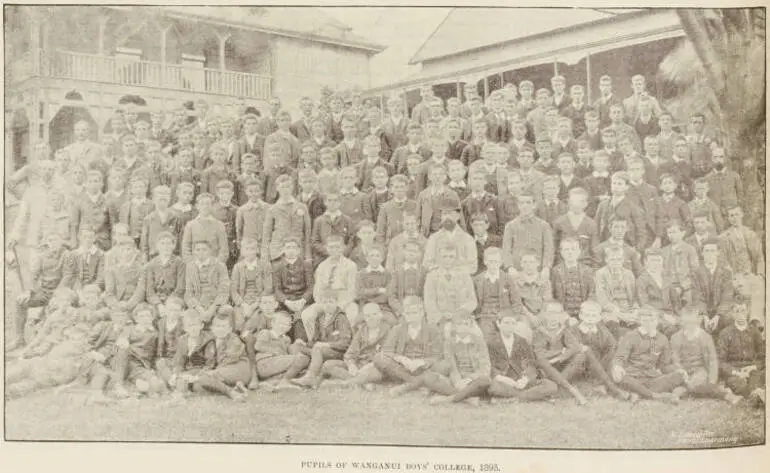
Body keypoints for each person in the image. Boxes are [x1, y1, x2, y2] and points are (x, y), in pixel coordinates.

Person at [373, 296, 446, 397]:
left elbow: (438, 355)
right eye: (407, 313)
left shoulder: (432, 329)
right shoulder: (397, 329)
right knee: (379, 358)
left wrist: (422, 362)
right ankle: (416, 382)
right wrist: (401, 359)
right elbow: (387, 351)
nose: (410, 316)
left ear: (422, 313)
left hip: (423, 368)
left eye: (414, 313)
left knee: (444, 365)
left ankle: (413, 383)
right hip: (402, 369)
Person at [611, 307, 685, 403]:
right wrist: (617, 366)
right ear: (640, 321)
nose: (649, 324)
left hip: (651, 378)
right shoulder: (631, 336)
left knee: (678, 375)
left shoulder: (662, 339)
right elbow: (619, 357)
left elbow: (664, 364)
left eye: (652, 320)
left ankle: (639, 393)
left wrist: (677, 370)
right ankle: (655, 396)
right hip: (632, 376)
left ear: (657, 321)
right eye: (645, 321)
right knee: (620, 377)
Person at [670, 306, 742, 403]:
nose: (689, 326)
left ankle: (724, 394)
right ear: (682, 322)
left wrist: (712, 380)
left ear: (698, 321)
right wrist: (681, 370)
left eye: (692, 322)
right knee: (683, 383)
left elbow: (712, 360)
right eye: (686, 323)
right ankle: (723, 392)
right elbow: (675, 358)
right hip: (683, 370)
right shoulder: (676, 337)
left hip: (699, 370)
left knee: (692, 384)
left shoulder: (705, 337)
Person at [419, 314, 491, 406]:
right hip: (456, 380)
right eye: (459, 324)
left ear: (471, 326)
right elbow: (452, 366)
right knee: (430, 377)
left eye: (466, 324)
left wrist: (468, 379)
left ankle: (448, 399)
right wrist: (457, 382)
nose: (463, 327)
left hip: (473, 381)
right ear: (455, 327)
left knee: (485, 380)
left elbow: (485, 368)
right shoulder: (449, 343)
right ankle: (468, 399)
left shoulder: (479, 342)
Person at [571, 300, 635, 401]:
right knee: (587, 352)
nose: (590, 319)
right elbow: (574, 348)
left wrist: (608, 358)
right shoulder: (574, 329)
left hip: (599, 364)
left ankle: (601, 384)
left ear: (599, 318)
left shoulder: (601, 329)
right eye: (587, 316)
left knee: (612, 353)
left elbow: (612, 344)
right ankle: (611, 389)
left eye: (593, 316)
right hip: (581, 365)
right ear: (580, 316)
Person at [290, 289, 353, 389]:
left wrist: (326, 345)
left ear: (337, 303)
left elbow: (346, 343)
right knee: (295, 346)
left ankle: (310, 377)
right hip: (320, 351)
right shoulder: (320, 317)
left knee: (317, 349)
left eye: (331, 302)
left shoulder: (341, 318)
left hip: (337, 352)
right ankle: (289, 377)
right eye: (325, 302)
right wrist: (305, 344)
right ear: (321, 304)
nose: (328, 305)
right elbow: (315, 340)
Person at [322, 302, 390, 389]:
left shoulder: (388, 330)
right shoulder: (362, 330)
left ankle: (343, 384)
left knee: (373, 373)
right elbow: (350, 353)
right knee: (328, 365)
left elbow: (386, 355)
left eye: (374, 314)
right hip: (359, 364)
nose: (371, 318)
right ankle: (362, 384)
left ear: (380, 315)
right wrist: (351, 365)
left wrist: (369, 366)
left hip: (374, 366)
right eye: (368, 316)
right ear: (364, 318)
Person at [302, 235, 358, 339]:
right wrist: (322, 303)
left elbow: (353, 290)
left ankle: (350, 344)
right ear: (326, 249)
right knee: (307, 314)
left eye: (337, 247)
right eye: (331, 247)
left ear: (343, 248)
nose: (334, 250)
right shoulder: (322, 266)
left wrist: (341, 305)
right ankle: (313, 341)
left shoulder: (350, 265)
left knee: (353, 314)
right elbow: (317, 289)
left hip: (344, 299)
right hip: (326, 300)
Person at [190, 309, 250, 401]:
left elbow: (229, 360)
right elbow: (209, 363)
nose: (220, 329)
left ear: (229, 329)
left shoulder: (234, 339)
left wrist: (209, 373)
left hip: (238, 368)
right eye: (218, 326)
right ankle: (236, 387)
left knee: (203, 378)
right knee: (197, 386)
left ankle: (231, 392)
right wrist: (203, 372)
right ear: (212, 328)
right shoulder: (211, 341)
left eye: (224, 326)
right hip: (222, 372)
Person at [111, 303, 164, 398]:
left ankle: (136, 384)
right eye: (141, 316)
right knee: (123, 350)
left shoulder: (155, 333)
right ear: (136, 319)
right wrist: (124, 342)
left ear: (152, 318)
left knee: (154, 384)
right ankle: (119, 385)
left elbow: (157, 353)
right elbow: (119, 344)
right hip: (126, 360)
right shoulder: (130, 329)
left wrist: (153, 368)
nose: (144, 318)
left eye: (147, 315)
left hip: (142, 364)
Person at [717, 303, 766, 405]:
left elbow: (762, 356)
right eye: (737, 311)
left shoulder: (754, 331)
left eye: (743, 310)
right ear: (732, 314)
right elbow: (721, 361)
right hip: (735, 370)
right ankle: (755, 395)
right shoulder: (725, 333)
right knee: (737, 383)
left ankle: (756, 393)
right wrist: (736, 372)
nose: (740, 314)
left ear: (748, 312)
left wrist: (753, 367)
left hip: (752, 368)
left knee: (759, 377)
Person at [424, 242, 478, 327]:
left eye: (451, 256)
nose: (448, 260)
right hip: (439, 321)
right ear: (438, 258)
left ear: (456, 258)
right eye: (444, 256)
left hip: (462, 320)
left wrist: (459, 314)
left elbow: (472, 301)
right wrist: (441, 318)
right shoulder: (432, 277)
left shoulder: (464, 275)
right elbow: (429, 303)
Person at [262, 175, 312, 262]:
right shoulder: (272, 209)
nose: (285, 190)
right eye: (282, 187)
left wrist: (307, 255)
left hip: (298, 250)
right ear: (277, 188)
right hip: (278, 251)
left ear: (292, 187)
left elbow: (307, 232)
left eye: (288, 186)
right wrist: (265, 256)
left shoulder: (302, 207)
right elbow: (266, 234)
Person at [473, 247, 521, 338]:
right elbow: (473, 303)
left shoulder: (508, 279)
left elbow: (517, 302)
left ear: (501, 262)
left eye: (496, 261)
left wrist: (513, 318)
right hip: (484, 316)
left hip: (504, 315)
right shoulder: (477, 280)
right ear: (485, 261)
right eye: (491, 261)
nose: (494, 264)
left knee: (508, 335)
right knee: (487, 336)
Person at [502, 192, 553, 276]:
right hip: (517, 271)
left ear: (534, 205)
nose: (525, 206)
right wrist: (510, 267)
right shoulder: (510, 226)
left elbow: (549, 248)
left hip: (538, 271)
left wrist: (546, 267)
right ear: (518, 205)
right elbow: (506, 249)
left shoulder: (544, 225)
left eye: (528, 202)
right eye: (522, 203)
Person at [692, 238, 734, 335]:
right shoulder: (696, 273)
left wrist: (718, 316)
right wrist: (705, 316)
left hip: (721, 312)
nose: (710, 254)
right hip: (703, 311)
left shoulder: (726, 272)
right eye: (706, 251)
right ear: (702, 253)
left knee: (730, 319)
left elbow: (727, 296)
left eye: (713, 250)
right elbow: (697, 297)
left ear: (718, 253)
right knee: (694, 322)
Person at [184, 240, 230, 325]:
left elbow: (224, 291)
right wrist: (199, 309)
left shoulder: (220, 265)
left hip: (215, 303)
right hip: (198, 304)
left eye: (204, 250)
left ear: (210, 251)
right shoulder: (190, 267)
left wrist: (212, 309)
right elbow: (188, 292)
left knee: (227, 310)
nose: (201, 252)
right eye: (198, 250)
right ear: (193, 252)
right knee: (188, 315)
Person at [551, 238, 595, 320]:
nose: (570, 252)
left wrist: (586, 311)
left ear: (579, 251)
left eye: (573, 249)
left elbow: (592, 293)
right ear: (561, 252)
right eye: (566, 249)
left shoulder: (587, 270)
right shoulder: (556, 271)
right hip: (563, 314)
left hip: (585, 314)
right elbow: (552, 295)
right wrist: (561, 313)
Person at [69, 169, 111, 251]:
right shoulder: (79, 201)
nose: (93, 184)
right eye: (90, 181)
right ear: (85, 184)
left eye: (96, 181)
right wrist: (74, 245)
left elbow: (112, 224)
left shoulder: (108, 201)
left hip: (103, 242)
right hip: (84, 241)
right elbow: (74, 225)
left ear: (101, 184)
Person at [181, 192, 229, 264]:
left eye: (207, 204)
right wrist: (192, 264)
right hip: (195, 265)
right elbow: (186, 248)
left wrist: (216, 264)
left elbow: (224, 249)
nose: (205, 206)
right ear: (197, 206)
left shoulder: (219, 225)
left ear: (212, 206)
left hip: (214, 265)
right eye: (202, 204)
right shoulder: (190, 225)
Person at [719, 204, 765, 276]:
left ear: (742, 215)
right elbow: (722, 260)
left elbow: (759, 257)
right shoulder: (723, 237)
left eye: (737, 214)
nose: (734, 218)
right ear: (728, 218)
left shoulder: (751, 235)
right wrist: (730, 274)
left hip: (751, 274)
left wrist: (760, 274)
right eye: (732, 215)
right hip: (732, 276)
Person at [140, 185, 178, 262]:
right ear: (153, 199)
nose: (163, 196)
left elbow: (179, 238)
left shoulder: (175, 217)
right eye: (160, 194)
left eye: (166, 194)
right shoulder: (148, 219)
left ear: (170, 199)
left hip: (171, 256)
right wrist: (144, 256)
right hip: (154, 256)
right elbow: (144, 242)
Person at [60, 227, 106, 291]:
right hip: (77, 288)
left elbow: (101, 277)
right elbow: (69, 275)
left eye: (90, 237)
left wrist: (91, 288)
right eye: (85, 237)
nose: (88, 240)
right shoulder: (74, 254)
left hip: (94, 288)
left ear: (94, 238)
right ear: (80, 237)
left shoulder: (100, 255)